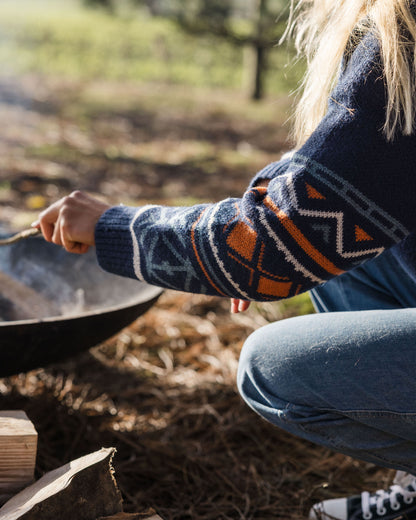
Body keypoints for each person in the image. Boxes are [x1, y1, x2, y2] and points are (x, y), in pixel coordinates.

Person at [35, 1, 416, 518]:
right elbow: (340, 186)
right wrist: (278, 231)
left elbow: (264, 250)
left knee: (271, 369)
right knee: (344, 255)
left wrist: (112, 227)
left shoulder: (406, 37)